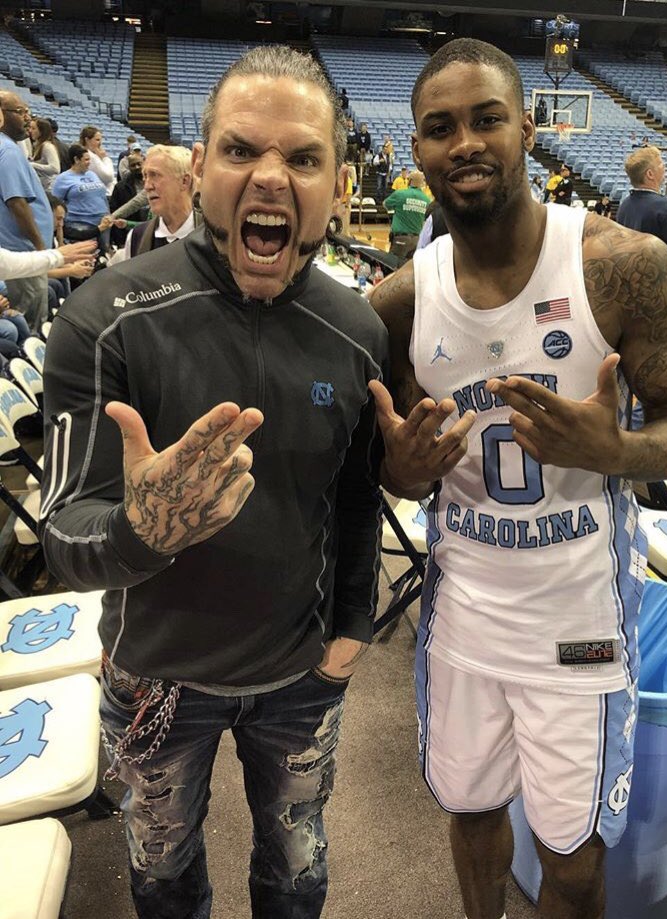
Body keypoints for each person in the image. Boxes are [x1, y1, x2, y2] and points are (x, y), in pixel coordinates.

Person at [369, 38, 667, 919]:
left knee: (572, 857)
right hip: (464, 617)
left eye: (488, 118)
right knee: (473, 811)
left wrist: (617, 452)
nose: (467, 143)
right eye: (440, 128)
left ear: (529, 126)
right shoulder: (399, 301)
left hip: (580, 628)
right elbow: (398, 465)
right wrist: (401, 473)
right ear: (416, 150)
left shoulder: (624, 266)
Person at [39, 44, 387, 919]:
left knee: (298, 875)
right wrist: (137, 533)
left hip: (301, 678)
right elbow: (59, 534)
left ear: (338, 185)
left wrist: (349, 629)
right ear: (201, 169)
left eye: (303, 157)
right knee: (162, 882)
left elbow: (351, 498)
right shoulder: (104, 321)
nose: (271, 175)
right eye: (241, 150)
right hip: (157, 680)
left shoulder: (356, 331)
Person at [0, 91, 55, 332]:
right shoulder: (9, 151)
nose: (28, 119)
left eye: (28, 113)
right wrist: (41, 250)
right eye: (21, 112)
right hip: (24, 252)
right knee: (31, 326)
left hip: (15, 253)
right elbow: (17, 204)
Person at [52, 143, 110, 246]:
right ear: (76, 159)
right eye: (86, 160)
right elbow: (56, 204)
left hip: (102, 222)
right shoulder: (63, 178)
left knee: (103, 257)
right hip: (80, 224)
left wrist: (109, 215)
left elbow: (103, 197)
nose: (89, 163)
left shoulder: (92, 174)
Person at [383, 169, 430, 259]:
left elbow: (385, 204)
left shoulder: (400, 194)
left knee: (393, 266)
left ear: (410, 181)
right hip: (417, 240)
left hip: (400, 238)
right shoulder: (426, 200)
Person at [79, 124, 115, 195]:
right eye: (97, 140)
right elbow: (108, 176)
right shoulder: (91, 156)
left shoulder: (93, 155)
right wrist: (105, 158)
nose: (100, 143)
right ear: (87, 140)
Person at [29, 117, 61, 192]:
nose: (30, 131)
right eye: (30, 128)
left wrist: (33, 165)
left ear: (41, 131)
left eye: (33, 128)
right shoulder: (38, 145)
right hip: (42, 186)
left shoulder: (47, 146)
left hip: (48, 188)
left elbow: (55, 168)